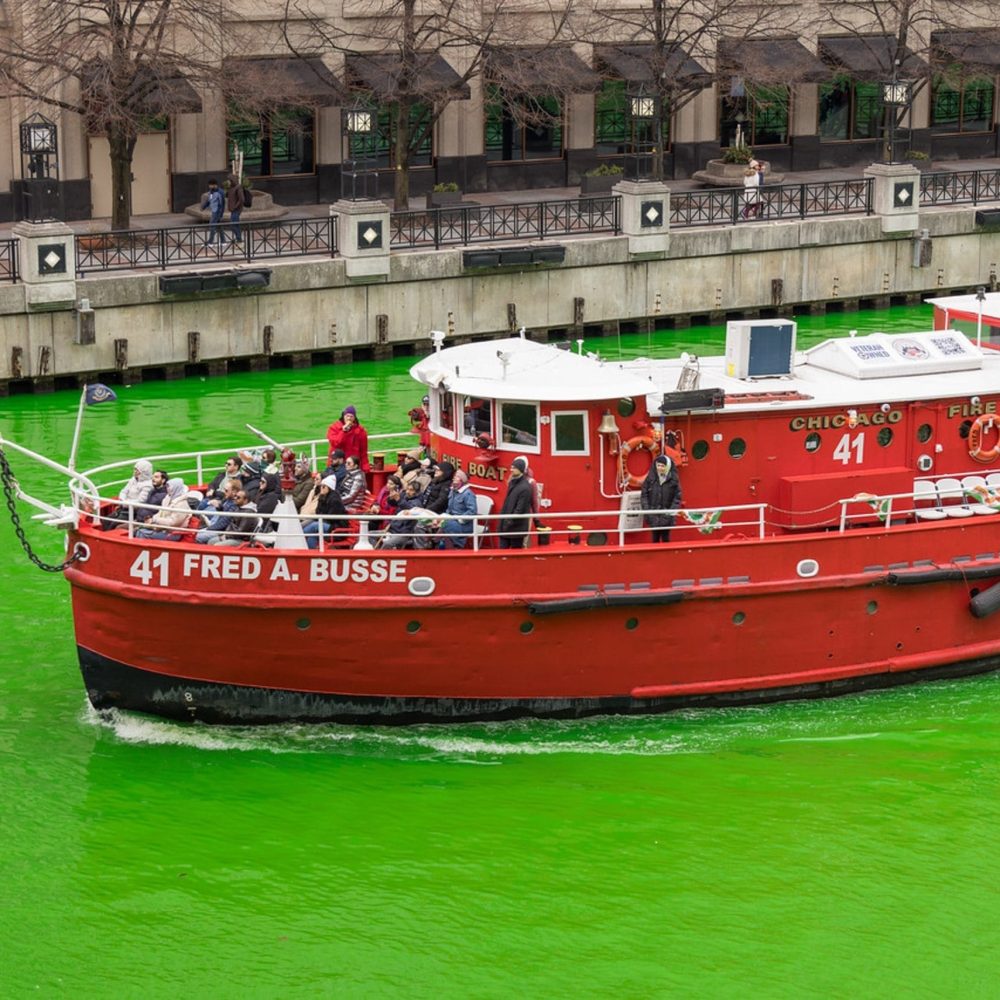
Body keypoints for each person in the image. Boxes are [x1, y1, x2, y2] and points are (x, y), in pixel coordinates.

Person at [430, 469, 478, 549]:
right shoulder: (452, 491)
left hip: (464, 524)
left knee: (445, 523)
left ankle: (455, 546)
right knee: (437, 521)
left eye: (457, 477)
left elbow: (472, 511)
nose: (454, 478)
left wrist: (459, 519)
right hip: (451, 520)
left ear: (462, 480)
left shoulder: (468, 494)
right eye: (454, 476)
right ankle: (437, 542)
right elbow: (449, 510)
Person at [640, 454, 682, 543]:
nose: (660, 468)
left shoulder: (673, 479)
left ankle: (667, 556)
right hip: (653, 515)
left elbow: (677, 498)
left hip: (667, 516)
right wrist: (648, 512)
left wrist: (670, 513)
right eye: (658, 465)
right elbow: (644, 495)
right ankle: (655, 557)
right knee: (655, 538)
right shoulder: (650, 478)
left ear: (667, 466)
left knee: (666, 538)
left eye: (662, 466)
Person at [498, 456, 534, 548]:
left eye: (514, 468)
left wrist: (507, 522)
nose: (511, 470)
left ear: (520, 469)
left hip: (516, 528)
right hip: (507, 526)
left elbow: (520, 509)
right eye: (511, 467)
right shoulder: (513, 483)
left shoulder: (525, 488)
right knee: (503, 552)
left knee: (514, 553)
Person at [303, 476, 348, 550]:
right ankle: (312, 551)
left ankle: (299, 537)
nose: (321, 488)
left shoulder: (335, 500)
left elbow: (331, 518)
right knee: (311, 528)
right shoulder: (323, 497)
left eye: (324, 486)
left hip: (336, 527)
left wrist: (321, 516)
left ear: (329, 488)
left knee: (314, 526)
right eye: (321, 486)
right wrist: (321, 501)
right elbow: (318, 512)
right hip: (327, 523)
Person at [326, 406, 369, 471]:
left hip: (352, 464)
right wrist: (343, 431)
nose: (349, 418)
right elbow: (335, 443)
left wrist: (365, 466)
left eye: (351, 416)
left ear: (354, 418)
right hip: (337, 463)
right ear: (343, 416)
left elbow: (363, 451)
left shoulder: (360, 431)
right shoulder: (334, 428)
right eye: (347, 416)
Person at [201, 178, 225, 247]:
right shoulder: (211, 191)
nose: (209, 187)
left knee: (212, 226)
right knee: (219, 226)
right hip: (214, 210)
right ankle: (223, 241)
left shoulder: (220, 192)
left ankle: (210, 242)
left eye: (210, 185)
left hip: (217, 211)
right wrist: (204, 207)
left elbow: (222, 204)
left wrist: (221, 214)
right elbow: (209, 200)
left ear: (215, 185)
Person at [227, 173, 245, 244]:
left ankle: (239, 239)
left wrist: (235, 207)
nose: (227, 181)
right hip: (233, 210)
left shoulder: (238, 187)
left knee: (233, 225)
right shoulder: (231, 188)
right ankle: (238, 239)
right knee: (234, 225)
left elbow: (242, 199)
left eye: (229, 180)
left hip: (236, 210)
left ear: (232, 180)